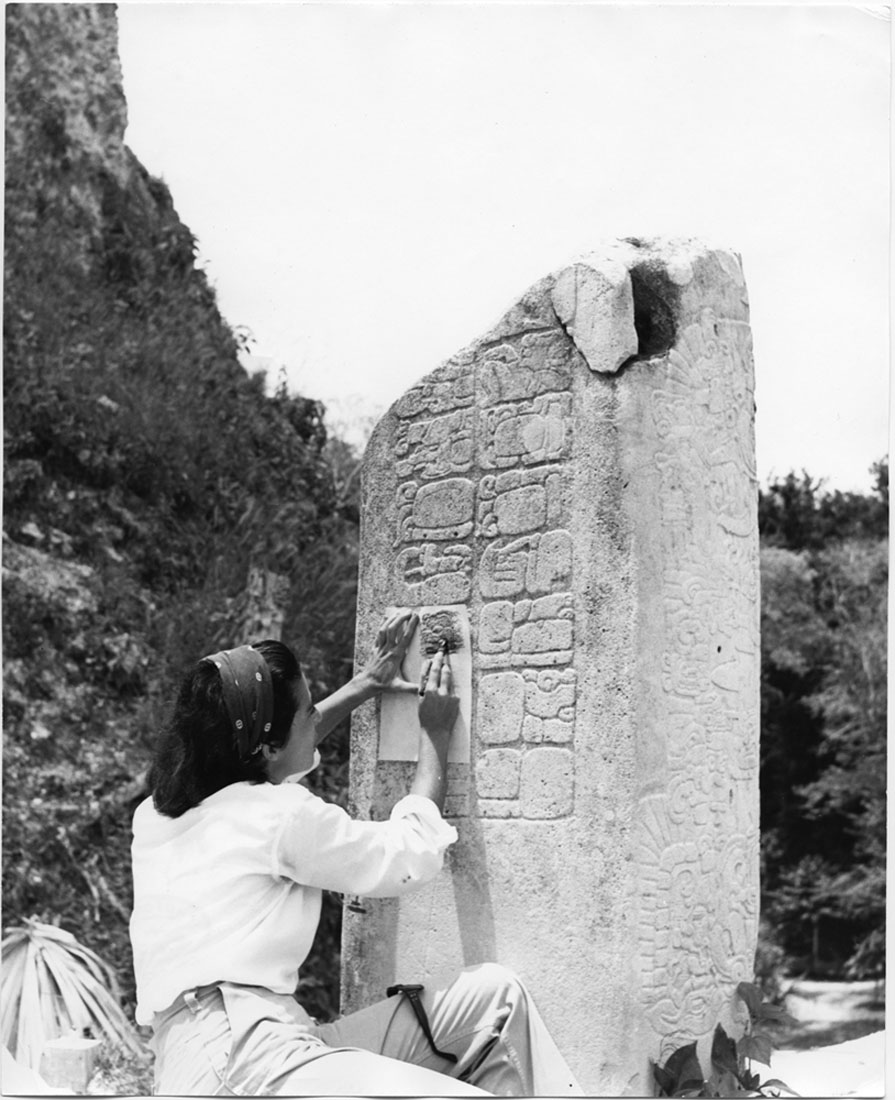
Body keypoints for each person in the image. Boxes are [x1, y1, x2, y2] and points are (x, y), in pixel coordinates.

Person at [130, 609, 582, 1096]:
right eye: (307, 711)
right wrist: (434, 732)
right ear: (266, 747)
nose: (314, 716)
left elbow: (277, 754)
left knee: (496, 1000)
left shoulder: (159, 812)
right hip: (241, 1063)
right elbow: (409, 853)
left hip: (254, 1043)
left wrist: (367, 683)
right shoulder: (280, 818)